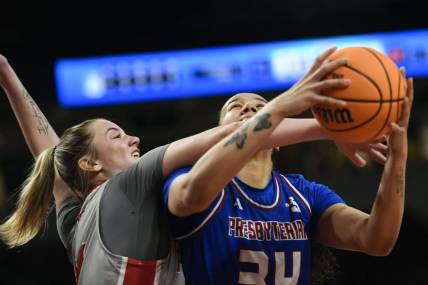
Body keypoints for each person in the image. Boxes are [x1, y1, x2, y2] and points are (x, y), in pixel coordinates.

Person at [0, 47, 387, 285]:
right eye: (116, 135)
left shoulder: (76, 219)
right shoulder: (133, 184)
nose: (133, 139)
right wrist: (325, 123)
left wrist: (8, 79)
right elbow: (233, 133)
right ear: (89, 163)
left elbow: (49, 155)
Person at [162, 68, 413, 283]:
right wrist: (280, 108)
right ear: (216, 135)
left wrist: (398, 157)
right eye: (235, 106)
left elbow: (377, 239)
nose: (249, 107)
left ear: (281, 139)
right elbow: (191, 197)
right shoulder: (189, 178)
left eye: (262, 108)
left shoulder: (305, 195)